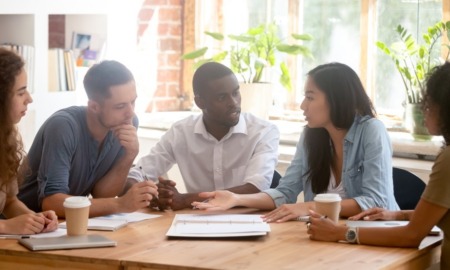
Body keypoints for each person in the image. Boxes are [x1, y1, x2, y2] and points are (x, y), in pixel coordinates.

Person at [192, 62, 399, 221]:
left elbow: (375, 201)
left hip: (375, 237)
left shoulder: (372, 131)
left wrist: (309, 207)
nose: (302, 105)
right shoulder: (311, 135)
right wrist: (236, 199)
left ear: (336, 99)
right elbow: (286, 192)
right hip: (328, 236)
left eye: (310, 97)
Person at [307, 62, 450, 269]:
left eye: (428, 103)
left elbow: (411, 236)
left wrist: (339, 232)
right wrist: (399, 214)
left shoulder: (447, 160)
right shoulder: (312, 135)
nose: (423, 110)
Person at [127, 62, 280, 210]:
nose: (233, 103)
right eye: (222, 97)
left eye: (235, 93)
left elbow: (257, 188)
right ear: (200, 102)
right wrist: (154, 195)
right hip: (197, 223)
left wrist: (185, 200)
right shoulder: (181, 133)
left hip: (249, 221)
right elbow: (138, 173)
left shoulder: (263, 132)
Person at [18, 60, 157, 218]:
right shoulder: (63, 127)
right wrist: (121, 204)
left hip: (62, 225)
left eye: (133, 102)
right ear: (94, 107)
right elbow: (52, 202)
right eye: (120, 106)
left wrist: (129, 155)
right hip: (20, 223)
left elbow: (102, 194)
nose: (130, 112)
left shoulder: (126, 123)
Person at [0, 48, 58, 235]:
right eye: (21, 92)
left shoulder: (5, 137)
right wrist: (6, 227)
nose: (29, 99)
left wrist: (34, 219)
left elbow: (9, 202)